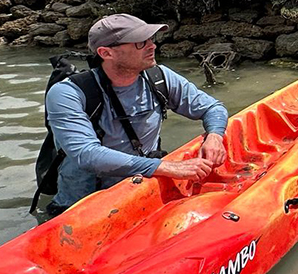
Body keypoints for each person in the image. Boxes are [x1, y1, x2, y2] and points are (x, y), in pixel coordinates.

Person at [44, 14, 228, 215]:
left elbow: (213, 108)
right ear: (106, 52)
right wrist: (167, 167)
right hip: (84, 209)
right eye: (141, 42)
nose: (152, 46)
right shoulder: (67, 94)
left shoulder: (159, 77)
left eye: (151, 39)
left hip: (141, 196)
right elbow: (88, 155)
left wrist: (215, 136)